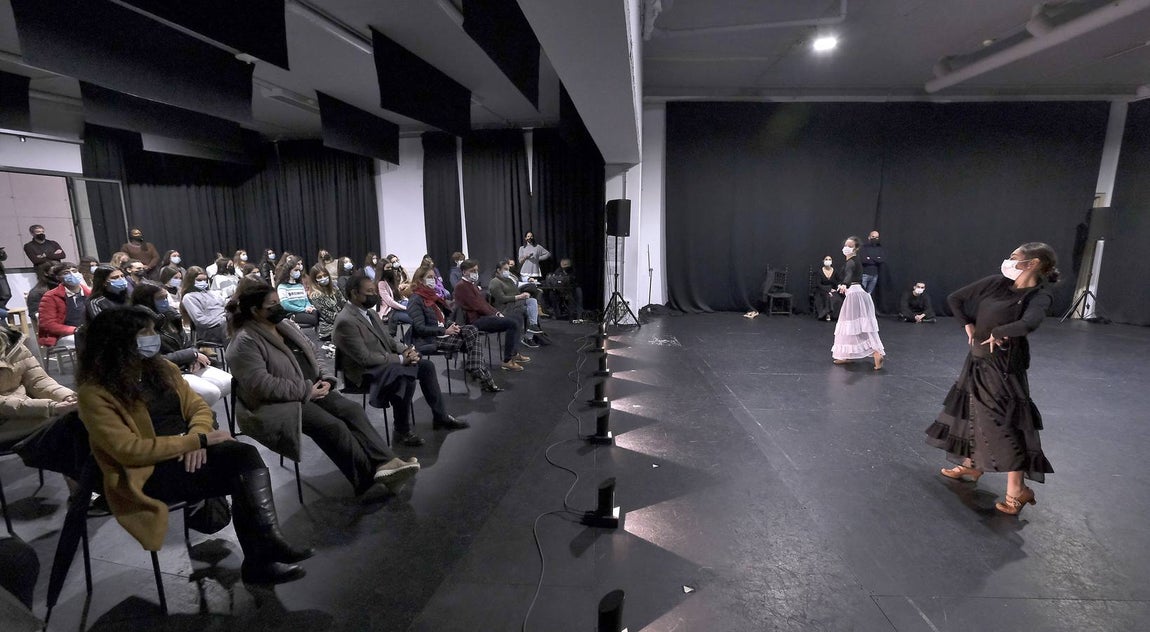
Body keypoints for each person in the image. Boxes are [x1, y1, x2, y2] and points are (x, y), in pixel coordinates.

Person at [77, 307, 314, 585]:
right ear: (118, 341)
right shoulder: (95, 392)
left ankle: (267, 544)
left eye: (154, 331)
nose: (155, 338)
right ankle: (263, 554)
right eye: (146, 333)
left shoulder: (162, 368)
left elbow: (199, 409)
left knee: (244, 457)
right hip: (146, 473)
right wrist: (195, 441)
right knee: (240, 467)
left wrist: (197, 438)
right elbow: (129, 450)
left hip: (188, 454)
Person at [225, 282, 420, 497]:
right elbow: (262, 385)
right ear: (255, 310)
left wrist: (326, 378)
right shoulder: (244, 342)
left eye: (279, 302)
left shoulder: (285, 326)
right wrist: (307, 391)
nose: (279, 308)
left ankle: (387, 463)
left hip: (312, 388)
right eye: (273, 305)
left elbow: (313, 350)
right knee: (332, 426)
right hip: (278, 403)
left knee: (352, 411)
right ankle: (368, 481)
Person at [925, 243, 1059, 516]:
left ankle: (1018, 490)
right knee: (973, 411)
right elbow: (955, 298)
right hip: (977, 358)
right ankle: (972, 464)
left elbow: (1029, 323)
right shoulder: (996, 284)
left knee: (1004, 423)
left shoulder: (1039, 294)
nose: (1008, 262)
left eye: (1014, 258)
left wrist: (1000, 331)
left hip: (1004, 366)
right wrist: (968, 324)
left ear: (1032, 263)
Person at [334, 275, 469, 447]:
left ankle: (440, 417)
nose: (374, 295)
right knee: (405, 376)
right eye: (369, 292)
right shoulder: (346, 320)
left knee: (425, 366)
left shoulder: (371, 313)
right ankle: (401, 430)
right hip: (364, 372)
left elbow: (390, 341)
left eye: (374, 291)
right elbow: (364, 358)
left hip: (384, 362)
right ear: (354, 293)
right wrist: (400, 359)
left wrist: (407, 351)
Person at [407, 263, 505, 391]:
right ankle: (483, 376)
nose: (434, 280)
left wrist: (451, 325)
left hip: (443, 333)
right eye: (430, 277)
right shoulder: (416, 299)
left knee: (471, 330)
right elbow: (420, 328)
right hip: (430, 339)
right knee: (471, 342)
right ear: (420, 280)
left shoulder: (433, 297)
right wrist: (445, 330)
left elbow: (441, 319)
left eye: (434, 277)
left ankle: (477, 369)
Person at [130, 284, 232, 407]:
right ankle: (194, 416)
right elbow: (152, 359)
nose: (165, 301)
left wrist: (193, 357)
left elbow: (188, 343)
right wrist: (190, 355)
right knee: (211, 392)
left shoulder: (172, 317)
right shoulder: (140, 325)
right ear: (147, 300)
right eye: (160, 298)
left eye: (166, 297)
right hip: (163, 371)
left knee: (228, 382)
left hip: (186, 364)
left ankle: (199, 414)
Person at [1, 320, 77, 448]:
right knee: (67, 420)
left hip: (26, 412)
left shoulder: (12, 343)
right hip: (7, 420)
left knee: (80, 413)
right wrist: (52, 407)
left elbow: (38, 381)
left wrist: (67, 397)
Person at [454, 260, 528, 371]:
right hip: (474, 321)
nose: (475, 273)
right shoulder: (461, 286)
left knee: (517, 317)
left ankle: (514, 352)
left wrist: (497, 313)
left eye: (476, 270)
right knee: (512, 323)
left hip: (482, 316)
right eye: (472, 271)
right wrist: (496, 314)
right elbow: (477, 306)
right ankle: (507, 361)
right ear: (464, 272)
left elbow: (484, 304)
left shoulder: (471, 285)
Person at [831, 236, 886, 370]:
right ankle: (847, 355)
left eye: (850, 245)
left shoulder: (851, 262)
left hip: (855, 295)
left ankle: (876, 353)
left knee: (855, 325)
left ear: (856, 248)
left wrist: (844, 284)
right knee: (853, 325)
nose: (846, 247)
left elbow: (849, 274)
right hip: (858, 293)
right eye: (846, 245)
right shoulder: (853, 260)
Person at [489, 260, 545, 349]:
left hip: (516, 304)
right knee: (530, 311)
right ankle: (529, 335)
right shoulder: (495, 282)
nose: (507, 271)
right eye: (505, 269)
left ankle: (531, 330)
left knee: (532, 301)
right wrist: (519, 297)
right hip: (504, 308)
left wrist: (524, 295)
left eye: (508, 269)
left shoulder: (509, 280)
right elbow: (501, 299)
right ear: (498, 270)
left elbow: (517, 292)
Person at [37, 262, 88, 350]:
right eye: (66, 273)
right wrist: (75, 330)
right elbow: (48, 324)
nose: (72, 274)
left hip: (88, 331)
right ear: (58, 278)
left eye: (74, 271)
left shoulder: (90, 293)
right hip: (64, 335)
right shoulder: (50, 297)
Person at [180, 267, 228, 345]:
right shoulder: (189, 297)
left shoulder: (211, 293)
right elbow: (200, 320)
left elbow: (224, 306)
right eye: (199, 280)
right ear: (191, 281)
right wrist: (222, 320)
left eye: (205, 280)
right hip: (210, 329)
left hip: (224, 322)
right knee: (230, 327)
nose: (203, 282)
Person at [275, 255, 319, 328]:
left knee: (318, 313)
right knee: (314, 319)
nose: (298, 272)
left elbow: (306, 300)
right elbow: (285, 305)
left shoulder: (300, 285)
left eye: (299, 270)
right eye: (295, 270)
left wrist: (309, 307)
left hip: (304, 311)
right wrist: (304, 309)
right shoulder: (282, 287)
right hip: (293, 313)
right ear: (288, 271)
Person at [307, 265, 346, 342]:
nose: (323, 278)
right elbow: (328, 316)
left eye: (325, 275)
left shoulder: (334, 288)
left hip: (343, 321)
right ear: (315, 280)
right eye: (319, 277)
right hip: (329, 329)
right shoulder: (315, 296)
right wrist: (347, 320)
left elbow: (344, 302)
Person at [542, 258, 584, 323]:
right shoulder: (558, 271)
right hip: (560, 289)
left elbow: (575, 282)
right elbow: (556, 280)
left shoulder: (574, 271)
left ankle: (578, 316)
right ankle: (556, 314)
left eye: (566, 265)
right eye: (563, 265)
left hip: (572, 289)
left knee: (577, 292)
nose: (564, 267)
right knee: (552, 294)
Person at [378, 259, 412, 331]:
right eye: (387, 268)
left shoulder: (390, 281)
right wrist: (405, 308)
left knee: (417, 311)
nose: (390, 269)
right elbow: (390, 302)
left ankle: (407, 339)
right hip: (389, 313)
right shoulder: (381, 283)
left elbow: (398, 297)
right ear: (382, 270)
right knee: (414, 319)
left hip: (396, 307)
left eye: (390, 267)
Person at [813, 255, 843, 322]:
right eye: (826, 259)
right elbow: (818, 284)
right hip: (821, 289)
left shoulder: (834, 271)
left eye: (829, 259)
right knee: (827, 297)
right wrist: (828, 290)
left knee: (837, 299)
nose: (828, 261)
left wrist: (838, 286)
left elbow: (839, 280)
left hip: (832, 289)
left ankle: (834, 315)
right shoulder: (819, 272)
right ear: (823, 261)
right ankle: (827, 314)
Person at [859, 230, 886, 296]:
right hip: (865, 274)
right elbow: (864, 260)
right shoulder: (864, 247)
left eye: (877, 237)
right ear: (869, 237)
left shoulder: (880, 248)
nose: (875, 239)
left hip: (875, 275)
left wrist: (870, 257)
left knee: (869, 295)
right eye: (873, 236)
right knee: (862, 294)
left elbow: (882, 260)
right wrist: (876, 258)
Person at [0, 247, 9, 320]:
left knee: (7, 294)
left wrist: (2, 252)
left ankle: (1, 307)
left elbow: (4, 258)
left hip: (1, 273)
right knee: (5, 294)